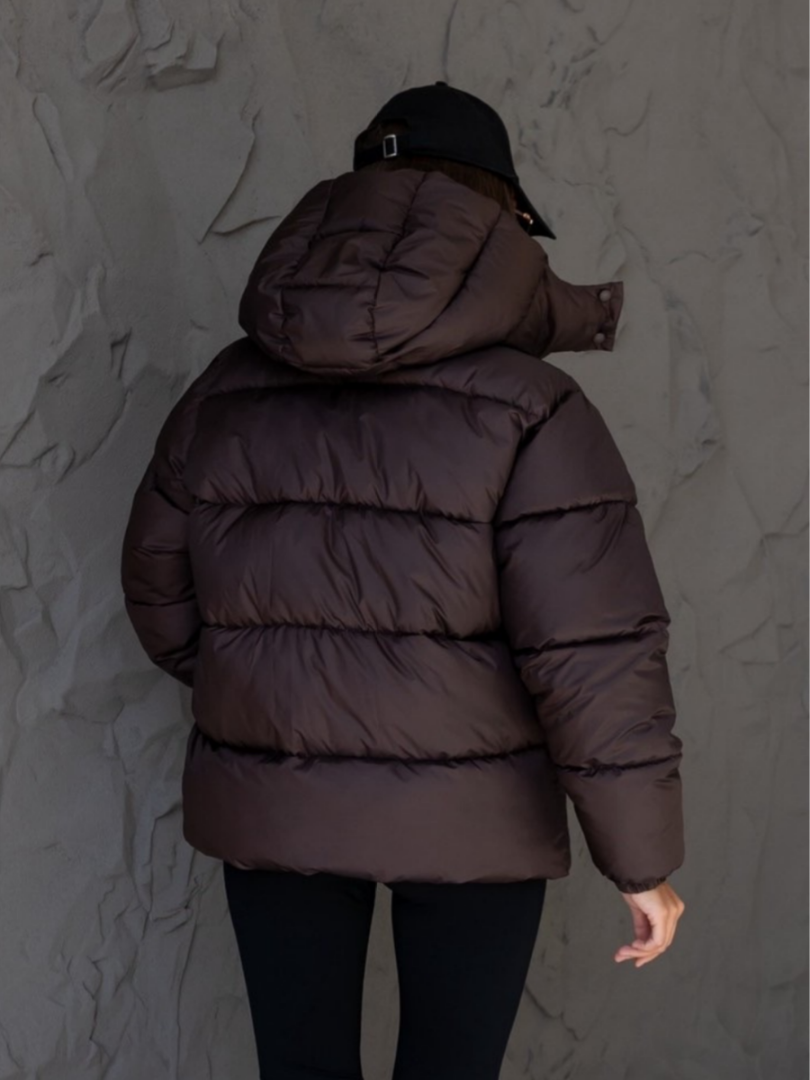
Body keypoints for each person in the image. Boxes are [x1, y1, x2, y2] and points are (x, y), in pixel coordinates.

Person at [120, 81, 686, 1079]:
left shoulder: (225, 390)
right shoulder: (534, 408)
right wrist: (640, 862)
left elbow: (158, 592)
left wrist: (272, 684)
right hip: (476, 815)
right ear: (501, 219)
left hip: (276, 795)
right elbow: (593, 653)